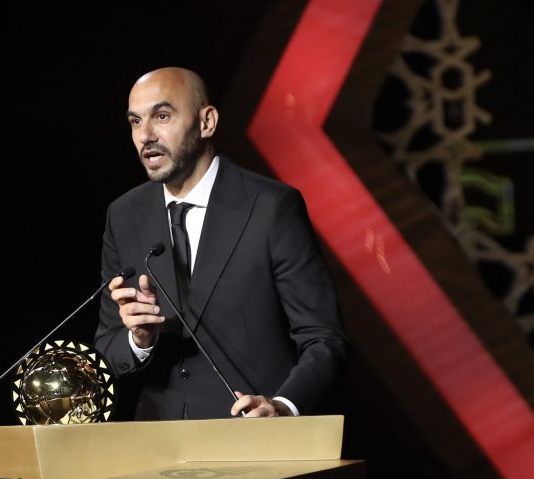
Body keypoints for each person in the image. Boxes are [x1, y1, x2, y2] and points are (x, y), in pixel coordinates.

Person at [94, 66, 348, 420]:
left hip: (251, 440)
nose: (146, 135)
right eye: (135, 122)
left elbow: (323, 338)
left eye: (162, 116)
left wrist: (282, 407)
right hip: (158, 446)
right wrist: (139, 340)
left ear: (207, 122)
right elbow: (107, 349)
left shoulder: (271, 207)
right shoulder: (124, 215)